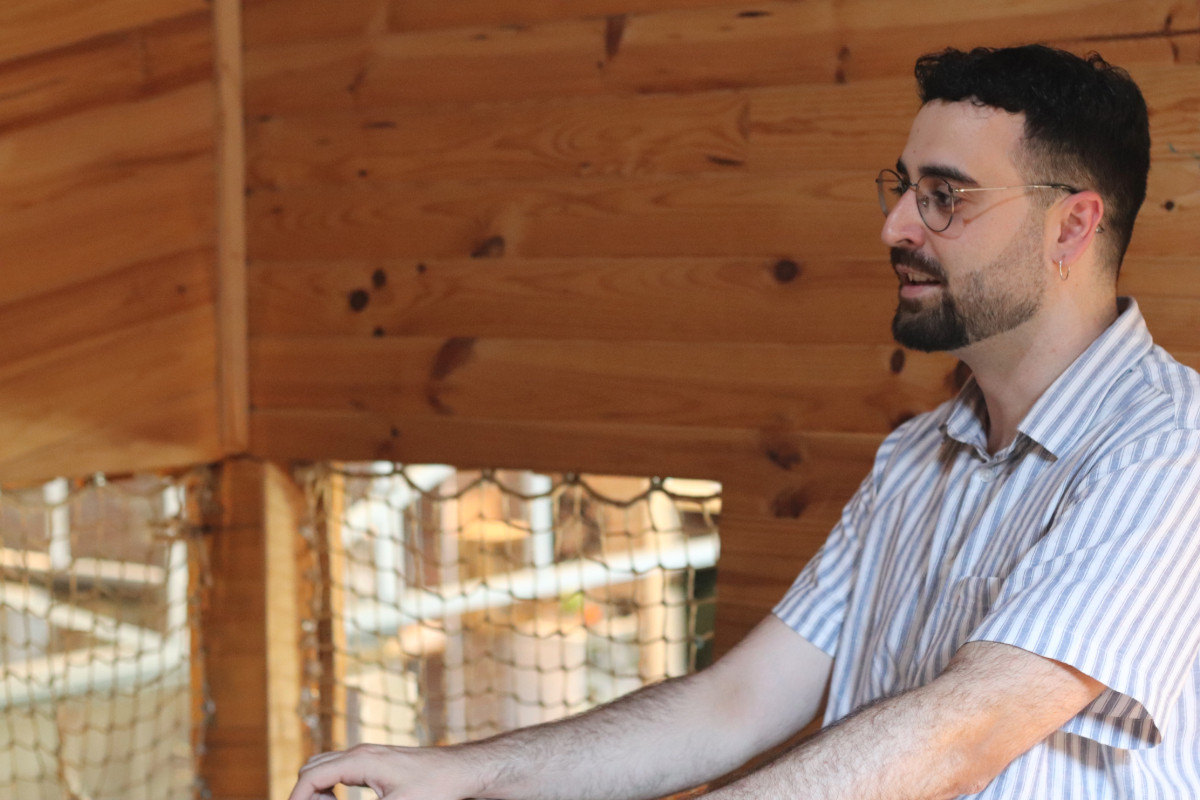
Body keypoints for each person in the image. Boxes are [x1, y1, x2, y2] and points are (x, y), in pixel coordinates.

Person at [290, 45, 1200, 799]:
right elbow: (738, 703)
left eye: (945, 195)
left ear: (1071, 228)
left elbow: (964, 732)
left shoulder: (1168, 451)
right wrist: (466, 775)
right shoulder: (916, 458)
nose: (895, 226)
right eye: (902, 187)